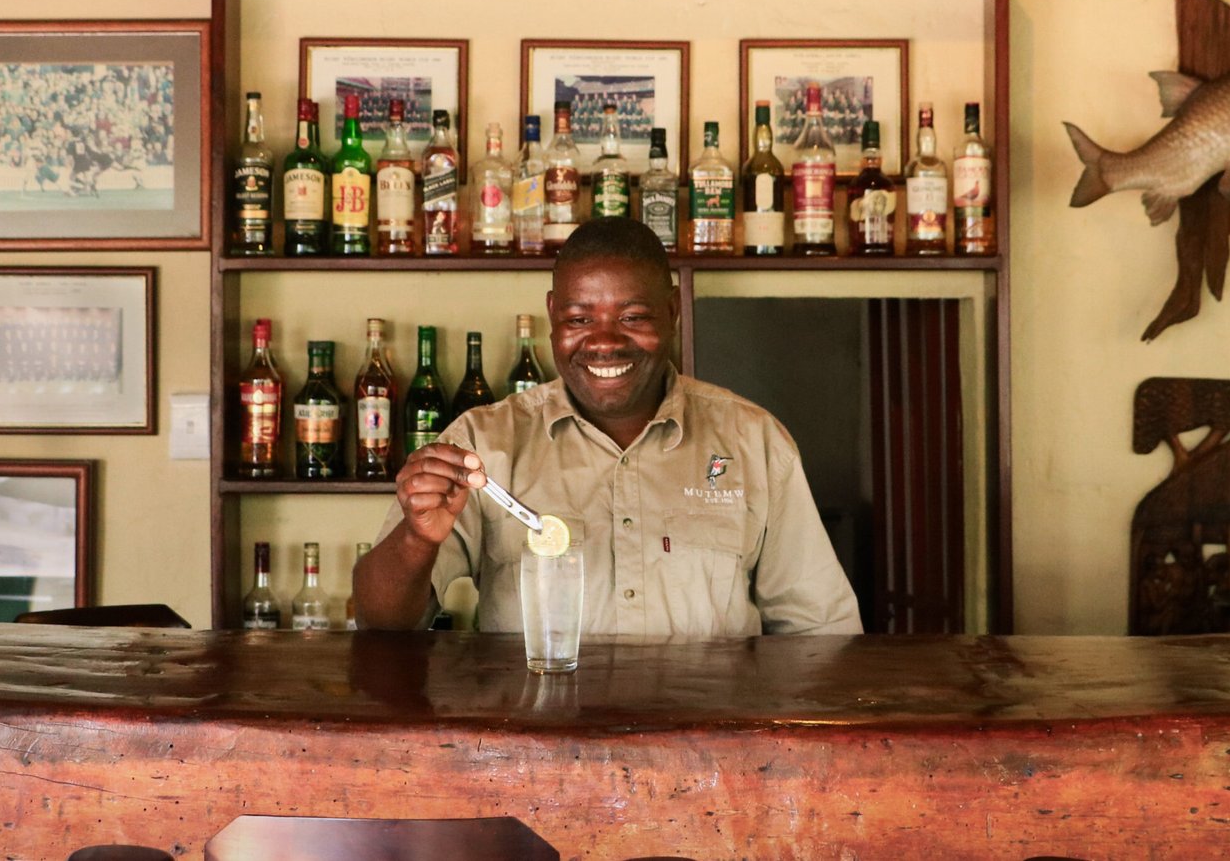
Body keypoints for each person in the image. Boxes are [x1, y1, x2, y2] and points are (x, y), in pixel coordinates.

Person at [353, 217, 861, 637]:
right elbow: (380, 623)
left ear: (672, 311)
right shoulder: (482, 445)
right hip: (533, 753)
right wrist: (417, 540)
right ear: (552, 315)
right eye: (578, 319)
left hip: (709, 754)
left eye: (633, 317)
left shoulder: (754, 441)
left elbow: (819, 633)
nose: (603, 342)